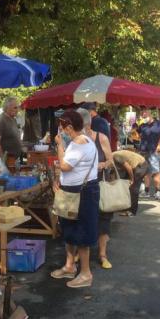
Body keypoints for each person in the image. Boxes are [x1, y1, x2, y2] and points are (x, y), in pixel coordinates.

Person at [50, 110, 99, 288]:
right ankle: (70, 266)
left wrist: (59, 145)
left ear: (69, 127)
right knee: (69, 229)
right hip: (72, 190)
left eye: (61, 128)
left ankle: (86, 274)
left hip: (83, 192)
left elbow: (65, 166)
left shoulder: (80, 143)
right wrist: (59, 181)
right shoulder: (79, 141)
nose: (60, 131)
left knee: (82, 232)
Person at [78, 108, 114, 269]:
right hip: (81, 186)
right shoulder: (76, 141)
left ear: (88, 123)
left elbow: (111, 161)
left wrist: (102, 164)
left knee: (103, 219)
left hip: (100, 184)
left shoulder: (101, 138)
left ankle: (102, 254)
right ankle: (81, 253)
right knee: (83, 219)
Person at [138, 110, 160, 199]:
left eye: (144, 113)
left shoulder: (158, 124)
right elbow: (136, 134)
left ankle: (157, 191)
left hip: (154, 151)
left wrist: (158, 147)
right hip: (143, 151)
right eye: (142, 114)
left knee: (155, 171)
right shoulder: (142, 125)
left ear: (150, 113)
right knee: (146, 172)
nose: (143, 115)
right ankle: (146, 191)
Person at [112, 149, 148, 216]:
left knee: (133, 188)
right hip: (134, 166)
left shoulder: (116, 156)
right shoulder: (112, 158)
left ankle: (132, 211)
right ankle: (125, 207)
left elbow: (128, 167)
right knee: (125, 186)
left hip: (140, 165)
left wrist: (132, 179)